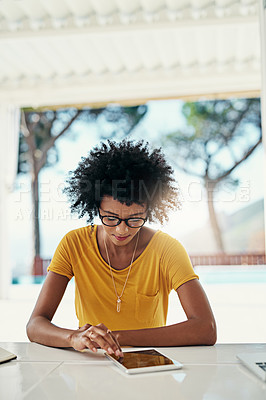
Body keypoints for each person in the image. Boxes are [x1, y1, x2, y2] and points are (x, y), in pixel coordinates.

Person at [27, 140, 216, 356]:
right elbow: (35, 325)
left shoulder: (167, 249)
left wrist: (117, 337)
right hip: (91, 366)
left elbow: (206, 328)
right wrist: (73, 337)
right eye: (110, 218)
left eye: (134, 219)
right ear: (96, 208)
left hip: (146, 366)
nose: (122, 230)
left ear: (149, 211)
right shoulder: (74, 244)